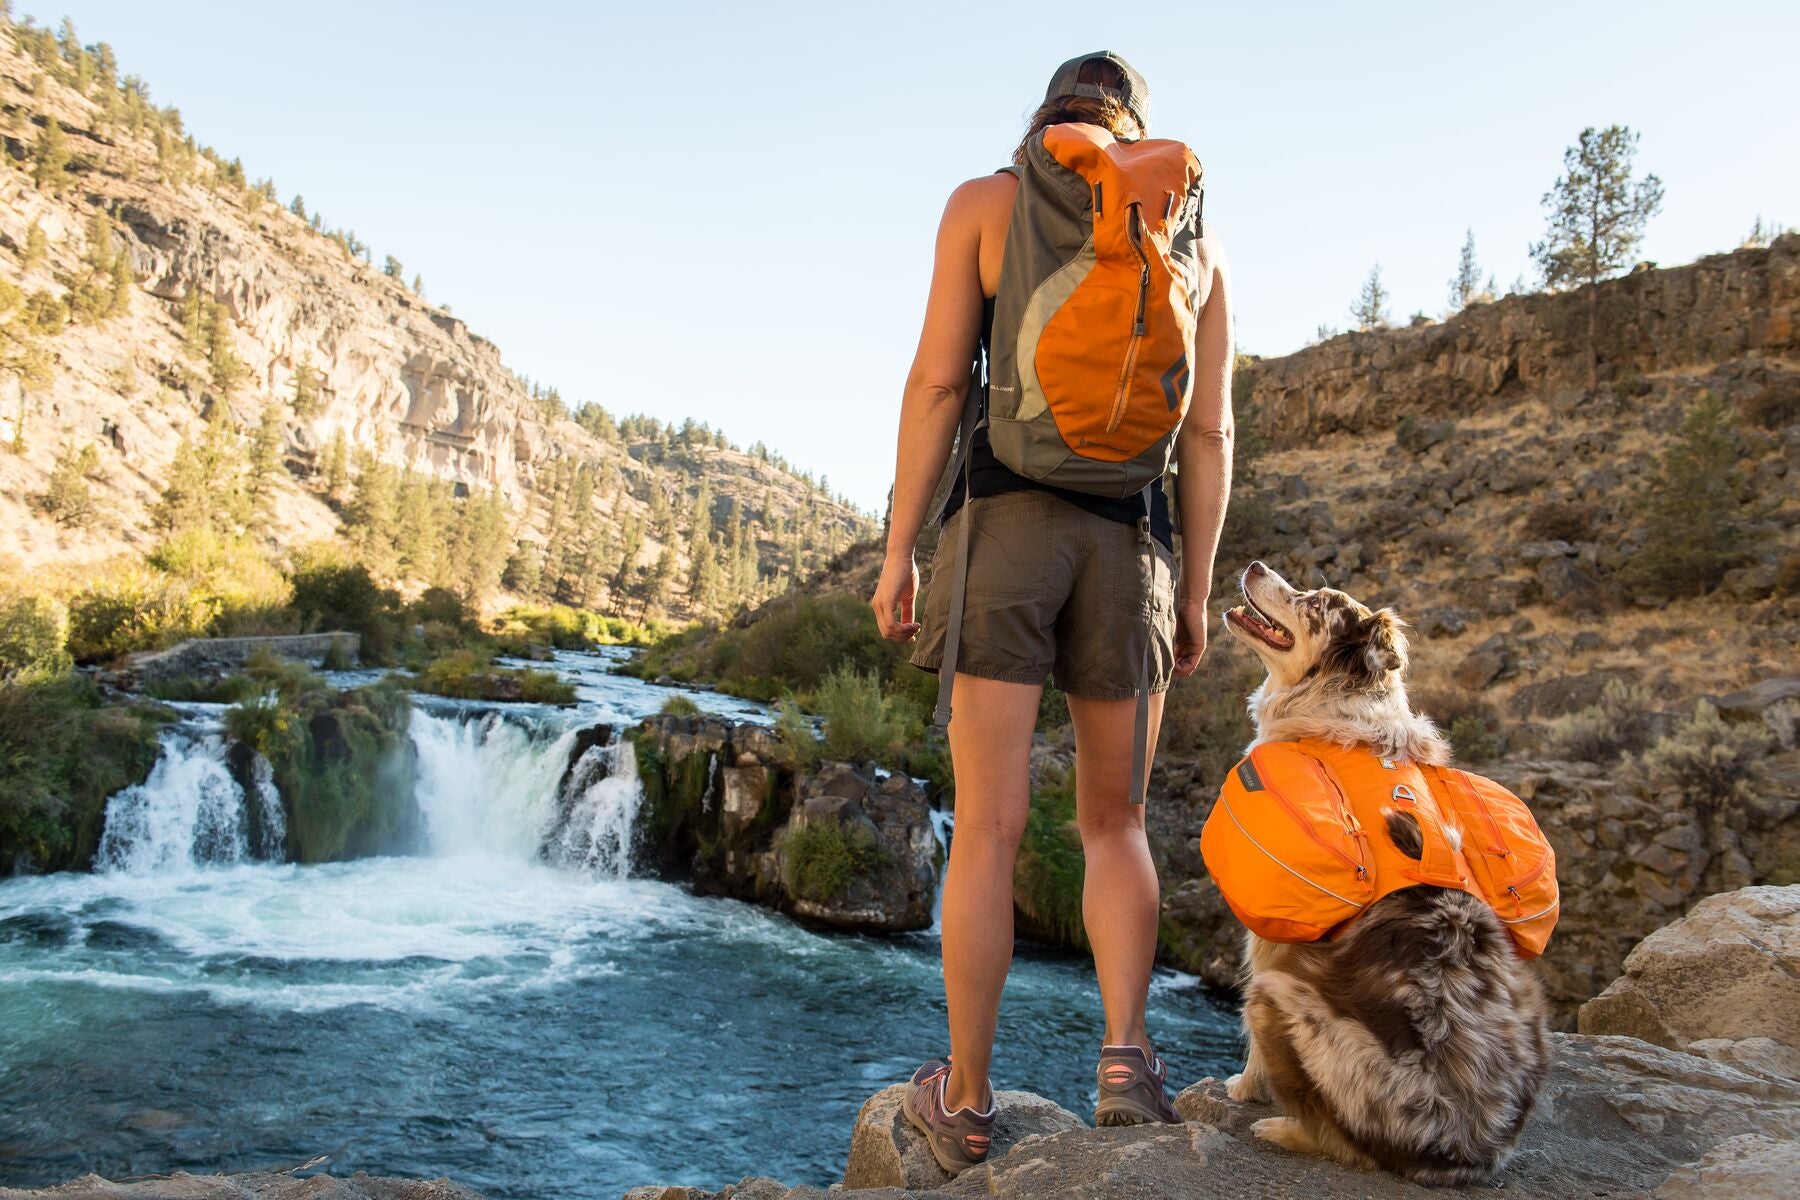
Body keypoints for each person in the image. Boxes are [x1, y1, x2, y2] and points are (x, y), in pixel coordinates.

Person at [871, 51, 1235, 1175]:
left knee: (986, 824)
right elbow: (1210, 436)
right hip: (1134, 547)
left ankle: (967, 1102)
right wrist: (1200, 590)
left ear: (1048, 123)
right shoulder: (1194, 248)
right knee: (1115, 821)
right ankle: (1127, 1059)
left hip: (1007, 528)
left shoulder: (986, 205)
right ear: (1137, 139)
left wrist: (899, 548)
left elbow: (940, 383)